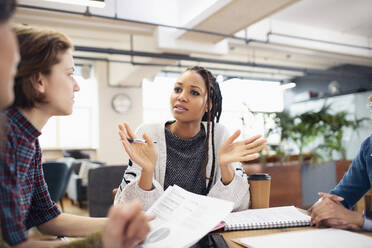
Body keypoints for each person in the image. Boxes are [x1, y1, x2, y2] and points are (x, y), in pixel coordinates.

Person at [0, 10, 151, 247]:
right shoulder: (7, 139)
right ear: (39, 81)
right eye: (70, 74)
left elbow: (47, 218)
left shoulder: (28, 140)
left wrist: (119, 226)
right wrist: (105, 241)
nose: (77, 86)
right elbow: (12, 245)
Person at [114, 66, 266, 211]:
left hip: (205, 232)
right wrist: (147, 172)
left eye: (194, 93)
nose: (181, 97)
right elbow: (125, 206)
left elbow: (242, 204)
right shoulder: (148, 134)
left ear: (208, 105)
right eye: (177, 89)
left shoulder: (219, 136)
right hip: (160, 232)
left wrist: (226, 168)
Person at [309, 93, 372, 231]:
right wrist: (325, 206)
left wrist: (358, 220)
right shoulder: (369, 145)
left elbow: (354, 218)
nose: (370, 97)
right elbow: (341, 196)